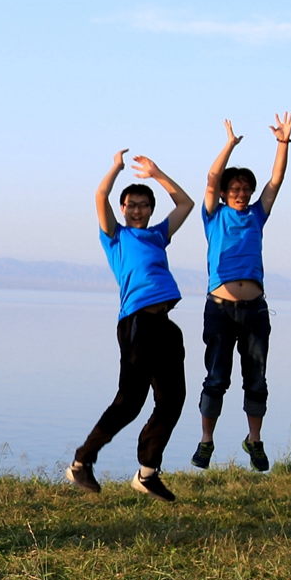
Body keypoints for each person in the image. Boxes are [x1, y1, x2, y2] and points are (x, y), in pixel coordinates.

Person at [66, 151, 195, 502]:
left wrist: (157, 174)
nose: (136, 210)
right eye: (130, 205)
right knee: (130, 402)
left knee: (173, 400)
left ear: (150, 209)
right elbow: (99, 197)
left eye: (142, 205)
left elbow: (185, 203)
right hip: (137, 323)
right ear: (122, 209)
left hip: (166, 324)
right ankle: (81, 461)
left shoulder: (157, 236)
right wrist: (115, 168)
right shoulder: (115, 237)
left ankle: (148, 473)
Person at [190, 114, 291, 473]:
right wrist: (230, 145)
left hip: (255, 310)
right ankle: (206, 442)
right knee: (217, 377)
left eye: (245, 189)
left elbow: (276, 181)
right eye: (234, 189)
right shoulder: (212, 215)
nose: (241, 193)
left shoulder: (256, 215)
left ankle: (255, 440)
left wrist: (282, 144)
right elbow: (210, 179)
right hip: (219, 308)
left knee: (257, 378)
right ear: (223, 193)